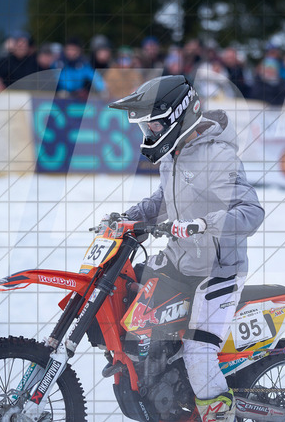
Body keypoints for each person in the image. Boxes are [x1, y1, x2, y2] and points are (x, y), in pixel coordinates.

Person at [108, 75, 264, 421]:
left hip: (218, 271)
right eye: (146, 127)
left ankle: (219, 415)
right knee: (136, 318)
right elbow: (164, 200)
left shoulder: (218, 157)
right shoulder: (173, 154)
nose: (149, 132)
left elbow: (251, 212)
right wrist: (127, 219)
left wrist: (204, 224)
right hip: (179, 262)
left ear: (178, 116)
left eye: (154, 125)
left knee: (197, 351)